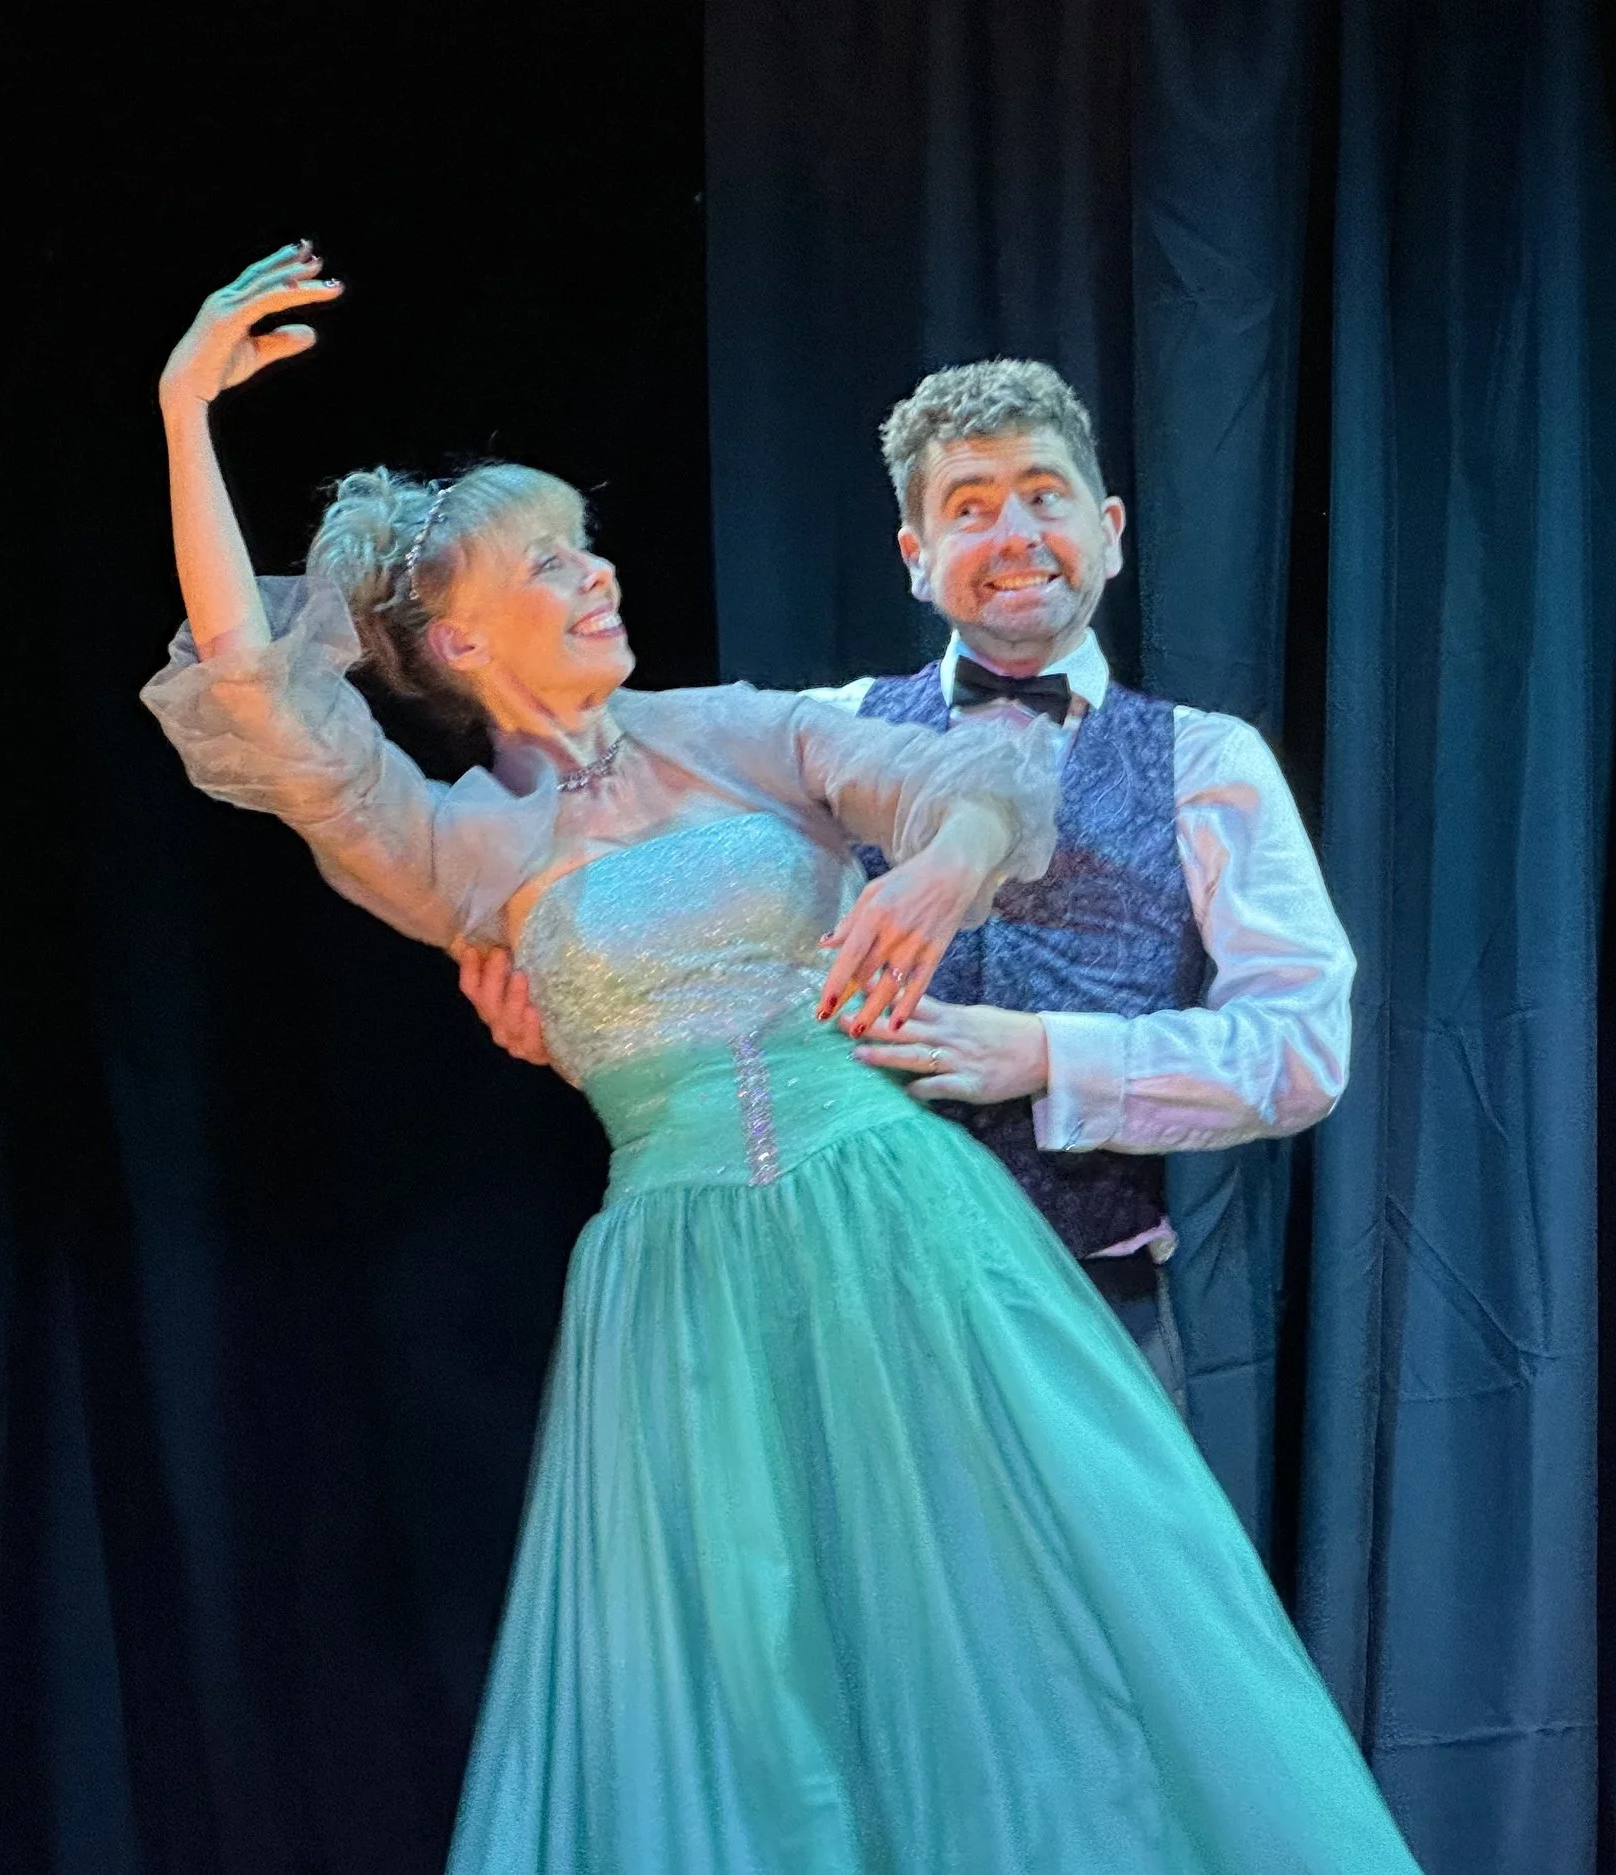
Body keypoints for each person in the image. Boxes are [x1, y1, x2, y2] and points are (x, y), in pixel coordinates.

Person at [145, 244, 1419, 1873]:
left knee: (1044, 1671)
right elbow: (261, 698)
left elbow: (964, 782)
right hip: (686, 1293)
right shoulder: (459, 847)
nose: (598, 572)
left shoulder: (745, 727)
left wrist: (950, 863)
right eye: (549, 561)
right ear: (458, 645)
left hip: (909, 1233)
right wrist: (183, 414)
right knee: (760, 1704)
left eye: (588, 543)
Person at [461, 359, 1356, 1407]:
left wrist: (1046, 1055)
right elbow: (672, 941)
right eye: (969, 509)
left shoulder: (1208, 762)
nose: (1015, 535)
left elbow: (1300, 1048)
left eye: (1044, 495)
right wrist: (580, 1016)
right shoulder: (808, 738)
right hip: (839, 1306)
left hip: (1083, 1311)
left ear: (1109, 532)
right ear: (915, 559)